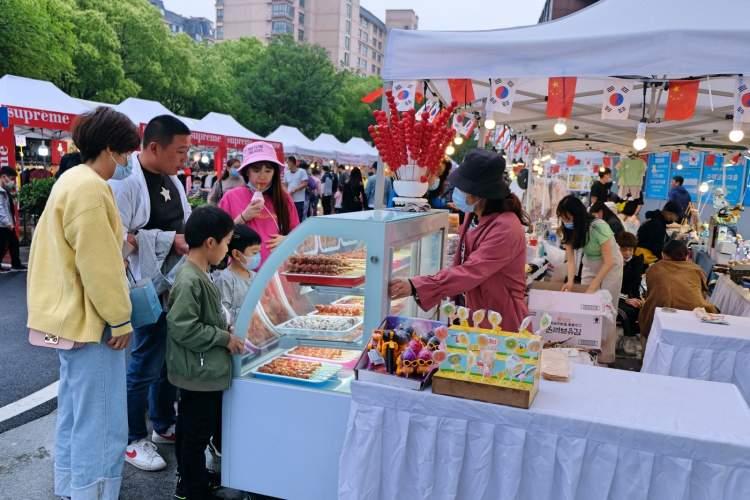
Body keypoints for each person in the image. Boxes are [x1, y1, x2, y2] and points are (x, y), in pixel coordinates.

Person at [27, 107, 140, 499]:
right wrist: (121, 319)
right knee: (104, 422)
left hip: (66, 321)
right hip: (94, 326)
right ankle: (95, 493)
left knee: (76, 415)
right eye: (125, 154)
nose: (127, 163)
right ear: (110, 149)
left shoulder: (70, 180)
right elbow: (99, 265)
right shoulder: (92, 188)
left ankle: (72, 487)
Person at [110, 115, 193, 471]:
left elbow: (184, 222)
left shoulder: (173, 180)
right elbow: (117, 239)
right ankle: (131, 438)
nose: (185, 159)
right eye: (180, 151)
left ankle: (162, 423)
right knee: (144, 362)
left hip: (174, 284)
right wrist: (164, 240)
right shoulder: (127, 184)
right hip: (145, 288)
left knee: (166, 360)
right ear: (154, 147)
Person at [389, 150, 529, 331]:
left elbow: (470, 271)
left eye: (460, 188)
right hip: (474, 315)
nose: (456, 192)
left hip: (500, 322)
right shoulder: (473, 216)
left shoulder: (506, 227)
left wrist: (417, 285)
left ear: (478, 194)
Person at [167, 206, 246, 500]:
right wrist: (223, 337)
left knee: (191, 432)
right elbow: (183, 328)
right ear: (210, 243)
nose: (228, 250)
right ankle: (193, 488)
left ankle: (192, 480)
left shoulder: (201, 273)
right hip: (198, 372)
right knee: (195, 436)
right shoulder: (190, 279)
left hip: (199, 369)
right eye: (226, 242)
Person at [558, 194, 623, 364]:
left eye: (568, 218)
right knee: (586, 306)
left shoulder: (599, 227)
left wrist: (595, 285)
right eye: (562, 218)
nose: (565, 221)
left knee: (607, 308)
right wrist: (570, 281)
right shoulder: (568, 229)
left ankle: (606, 355)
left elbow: (608, 262)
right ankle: (587, 348)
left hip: (611, 265)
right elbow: (571, 260)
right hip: (590, 262)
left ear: (577, 215)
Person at [219, 142, 300, 266]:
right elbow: (218, 235)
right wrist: (243, 217)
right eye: (256, 170)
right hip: (241, 272)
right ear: (247, 172)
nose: (262, 176)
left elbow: (298, 233)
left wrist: (287, 239)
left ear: (275, 173)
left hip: (277, 269)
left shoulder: (284, 199)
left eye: (268, 171)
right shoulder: (231, 197)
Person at [639, 239, 718, 339]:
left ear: (663, 254)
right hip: (695, 314)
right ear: (687, 256)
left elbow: (651, 294)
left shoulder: (654, 269)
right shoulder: (696, 269)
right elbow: (702, 294)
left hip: (662, 315)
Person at [214, 224, 262, 325]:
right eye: (254, 253)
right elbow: (223, 314)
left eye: (259, 252)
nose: (258, 256)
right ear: (236, 254)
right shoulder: (225, 280)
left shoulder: (256, 276)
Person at [616, 232, 646, 338]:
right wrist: (626, 299)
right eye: (624, 250)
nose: (628, 253)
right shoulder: (612, 263)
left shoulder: (637, 261)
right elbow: (609, 287)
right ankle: (629, 339)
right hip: (614, 296)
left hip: (630, 295)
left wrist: (638, 299)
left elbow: (636, 284)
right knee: (628, 312)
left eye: (631, 250)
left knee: (646, 309)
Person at [0, 167, 24, 272]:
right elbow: (0, 209)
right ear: (4, 177)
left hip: (7, 222)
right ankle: (16, 263)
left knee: (13, 243)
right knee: (2, 245)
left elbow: (11, 205)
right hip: (3, 224)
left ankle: (16, 263)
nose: (12, 182)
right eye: (11, 179)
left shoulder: (5, 190)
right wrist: (8, 223)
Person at [283, 155, 308, 222]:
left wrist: (295, 190)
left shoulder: (302, 171)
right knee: (289, 217)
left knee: (298, 217)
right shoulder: (286, 173)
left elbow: (305, 183)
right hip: (289, 199)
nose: (287, 164)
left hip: (299, 200)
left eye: (288, 162)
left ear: (292, 162)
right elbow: (285, 185)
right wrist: (286, 193)